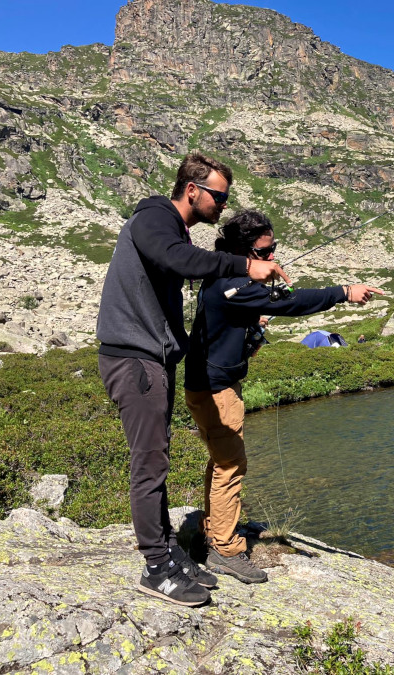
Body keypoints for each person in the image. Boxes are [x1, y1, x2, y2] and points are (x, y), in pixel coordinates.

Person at [96, 153, 291, 607]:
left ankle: (168, 551)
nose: (223, 205)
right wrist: (244, 267)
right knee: (149, 464)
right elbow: (178, 259)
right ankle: (156, 567)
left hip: (154, 359)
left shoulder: (172, 228)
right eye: (218, 196)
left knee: (158, 459)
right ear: (192, 190)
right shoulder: (152, 218)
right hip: (134, 358)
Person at [184, 209, 383, 583]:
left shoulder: (226, 279)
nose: (273, 256)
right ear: (245, 253)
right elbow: (290, 303)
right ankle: (224, 550)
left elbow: (271, 301)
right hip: (215, 389)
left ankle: (213, 527)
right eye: (266, 251)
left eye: (274, 248)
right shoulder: (233, 286)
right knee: (231, 465)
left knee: (221, 459)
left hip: (211, 383)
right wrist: (343, 293)